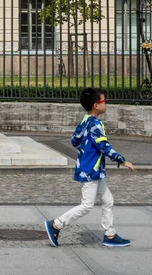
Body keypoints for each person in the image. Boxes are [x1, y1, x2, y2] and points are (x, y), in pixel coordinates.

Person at [44, 87, 135, 248]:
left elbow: (74, 140)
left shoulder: (85, 121)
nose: (106, 103)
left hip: (94, 169)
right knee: (87, 205)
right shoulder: (95, 125)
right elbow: (104, 147)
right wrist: (122, 160)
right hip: (90, 170)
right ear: (96, 105)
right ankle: (56, 225)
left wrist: (86, 149)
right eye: (103, 101)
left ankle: (110, 234)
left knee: (108, 200)